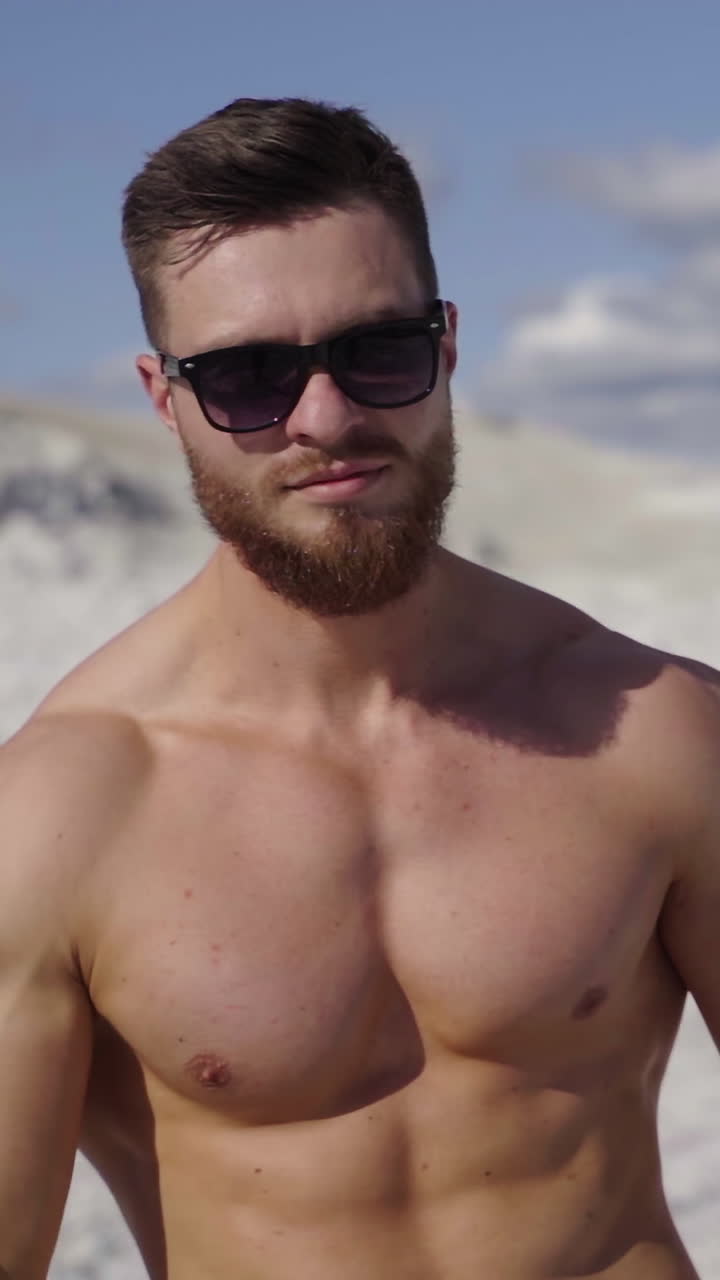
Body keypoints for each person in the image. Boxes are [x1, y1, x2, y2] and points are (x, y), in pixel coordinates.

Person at [0, 96, 716, 1280]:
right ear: (162, 393)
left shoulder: (664, 729)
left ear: (443, 346)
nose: (325, 419)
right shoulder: (56, 815)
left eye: (374, 350)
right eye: (246, 376)